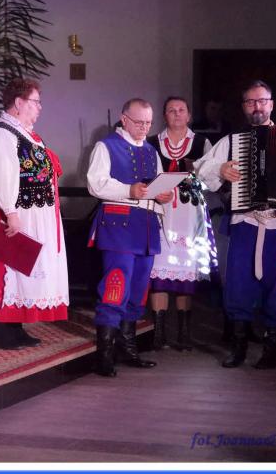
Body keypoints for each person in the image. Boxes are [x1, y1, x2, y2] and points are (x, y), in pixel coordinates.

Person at [194, 80, 276, 369]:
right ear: (244, 106)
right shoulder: (232, 141)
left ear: (271, 104)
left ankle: (271, 349)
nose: (257, 106)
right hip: (245, 221)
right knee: (239, 284)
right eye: (250, 101)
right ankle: (239, 347)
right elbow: (200, 169)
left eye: (262, 101)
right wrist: (221, 169)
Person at [0, 78, 69, 350]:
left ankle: (15, 325)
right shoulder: (1, 133)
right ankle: (1, 329)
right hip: (10, 211)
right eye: (35, 102)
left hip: (32, 210)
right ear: (18, 103)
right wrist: (10, 211)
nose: (40, 107)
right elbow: (1, 174)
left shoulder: (27, 134)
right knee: (9, 269)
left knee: (24, 269)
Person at [87, 98, 174, 376]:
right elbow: (95, 184)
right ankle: (104, 355)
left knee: (138, 290)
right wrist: (128, 190)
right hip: (119, 228)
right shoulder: (106, 146)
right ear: (124, 119)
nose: (144, 128)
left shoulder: (150, 151)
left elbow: (156, 184)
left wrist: (163, 194)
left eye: (148, 123)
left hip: (146, 227)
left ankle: (128, 348)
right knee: (115, 287)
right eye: (139, 122)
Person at [145, 97, 215, 351]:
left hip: (190, 215)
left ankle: (184, 333)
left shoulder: (202, 143)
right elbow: (145, 178)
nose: (177, 114)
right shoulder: (152, 143)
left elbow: (211, 180)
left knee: (186, 274)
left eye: (181, 110)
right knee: (159, 275)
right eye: (171, 110)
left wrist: (197, 175)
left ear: (189, 115)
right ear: (164, 115)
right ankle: (159, 332)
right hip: (162, 213)